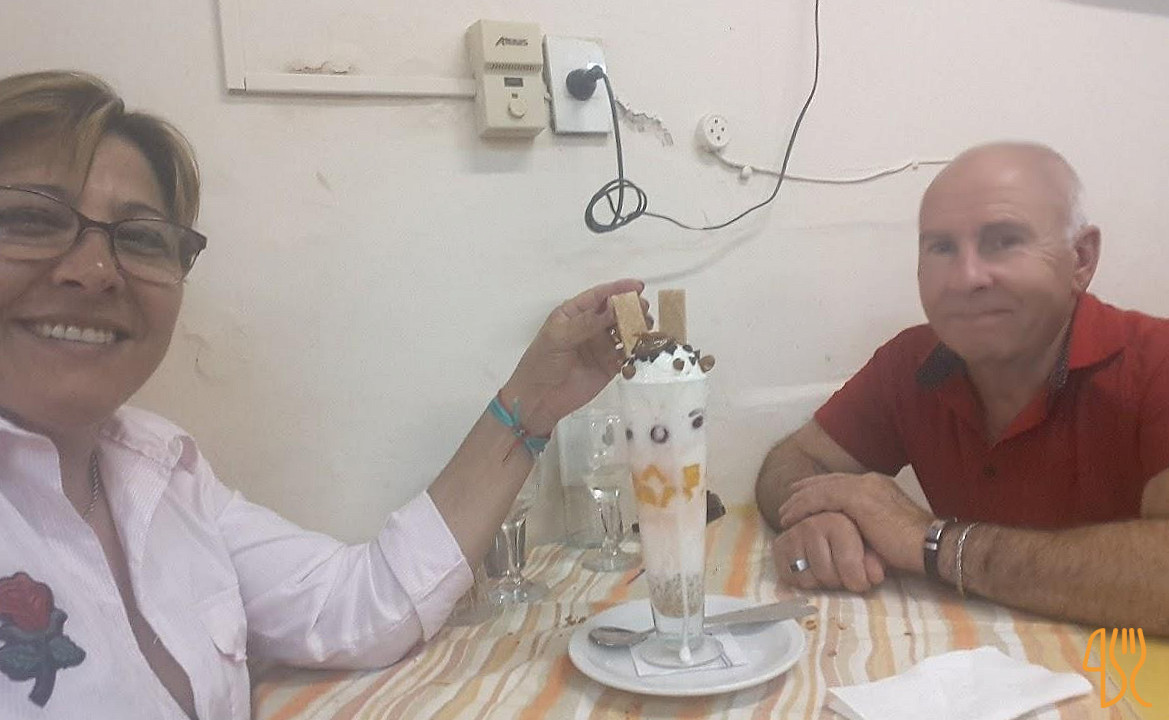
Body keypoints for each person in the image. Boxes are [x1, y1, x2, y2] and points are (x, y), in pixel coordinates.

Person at [0, 70, 646, 719]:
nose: (94, 272)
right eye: (30, 220)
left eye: (140, 237)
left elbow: (360, 607)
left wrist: (535, 399)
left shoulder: (160, 470)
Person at [755, 141, 1169, 636]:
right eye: (942, 247)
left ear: (1080, 259)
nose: (966, 277)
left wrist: (932, 542)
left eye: (1005, 241)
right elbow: (792, 460)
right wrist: (823, 517)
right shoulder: (913, 363)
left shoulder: (1156, 364)